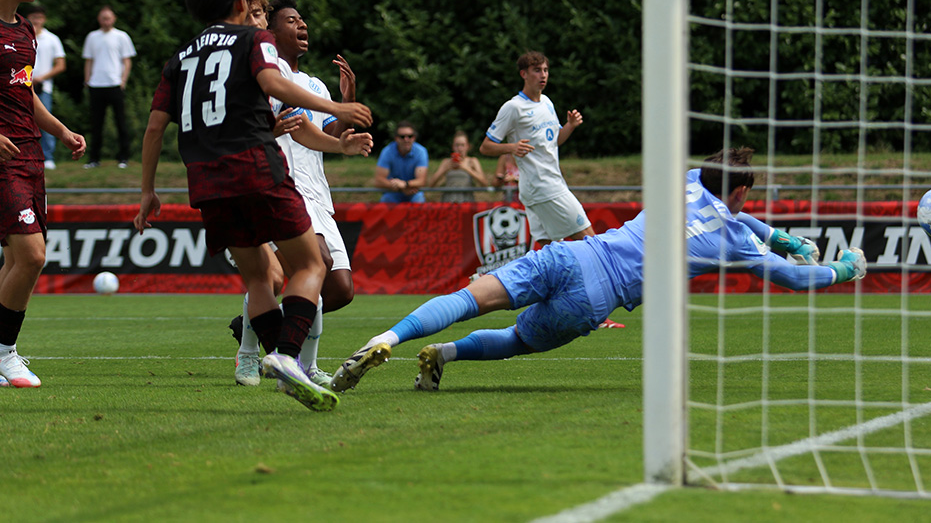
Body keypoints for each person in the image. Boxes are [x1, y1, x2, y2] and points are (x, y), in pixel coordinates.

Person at [329, 147, 867, 393]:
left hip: (573, 253)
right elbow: (795, 277)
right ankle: (445, 355)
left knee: (472, 296)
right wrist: (843, 268)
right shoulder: (734, 241)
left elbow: (729, 203)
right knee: (519, 339)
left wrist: (773, 232)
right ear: (744, 192)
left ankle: (388, 337)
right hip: (594, 297)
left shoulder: (686, 180)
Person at [134, 0, 372, 411]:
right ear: (241, 5)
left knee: (260, 277)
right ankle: (286, 357)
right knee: (310, 266)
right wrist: (337, 108)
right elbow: (273, 83)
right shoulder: (252, 39)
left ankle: (276, 361)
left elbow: (154, 127)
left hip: (206, 182)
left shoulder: (178, 59)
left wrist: (147, 191)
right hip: (256, 168)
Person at [231, 0, 373, 388]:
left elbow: (324, 134)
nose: (302, 25)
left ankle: (254, 323)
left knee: (340, 289)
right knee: (312, 265)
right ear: (271, 31)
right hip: (281, 186)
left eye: (303, 19)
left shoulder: (313, 84)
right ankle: (285, 363)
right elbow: (277, 125)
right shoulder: (266, 71)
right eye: (291, 20)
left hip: (317, 192)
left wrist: (343, 102)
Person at [479, 51, 625, 327]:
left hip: (540, 188)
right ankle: (600, 313)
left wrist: (569, 126)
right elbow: (486, 146)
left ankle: (551, 310)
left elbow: (553, 141)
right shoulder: (513, 107)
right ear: (523, 74)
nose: (543, 75)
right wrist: (511, 147)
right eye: (536, 70)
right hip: (545, 187)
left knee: (548, 250)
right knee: (591, 243)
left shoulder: (547, 102)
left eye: (545, 69)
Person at [0, 0, 86, 388]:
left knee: (18, 260)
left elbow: (25, 93)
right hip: (4, 160)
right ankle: (6, 354)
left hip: (31, 155)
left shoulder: (24, 32)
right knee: (32, 255)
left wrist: (62, 130)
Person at [82, 5, 136, 169]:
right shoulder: (92, 37)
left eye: (109, 18)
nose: (106, 21)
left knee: (120, 121)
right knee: (96, 123)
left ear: (114, 19)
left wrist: (123, 81)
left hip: (114, 84)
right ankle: (94, 158)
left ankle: (123, 157)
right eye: (103, 18)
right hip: (96, 84)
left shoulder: (121, 36)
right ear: (99, 19)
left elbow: (127, 61)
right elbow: (88, 60)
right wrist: (87, 80)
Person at [26, 5, 65, 170]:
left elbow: (61, 64)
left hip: (44, 87)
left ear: (44, 19)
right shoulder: (22, 36)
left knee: (46, 120)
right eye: (33, 17)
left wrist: (42, 77)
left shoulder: (52, 39)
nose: (36, 20)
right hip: (21, 85)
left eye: (39, 17)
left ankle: (48, 156)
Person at [374, 121, 428, 203]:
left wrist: (405, 184)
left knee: (419, 199)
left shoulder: (421, 151)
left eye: (410, 136)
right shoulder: (387, 151)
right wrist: (402, 188)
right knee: (386, 199)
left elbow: (421, 181)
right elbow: (378, 181)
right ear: (396, 138)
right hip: (393, 192)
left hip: (413, 193)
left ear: (414, 138)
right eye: (402, 137)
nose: (406, 139)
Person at [428, 130, 487, 202]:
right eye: (457, 145)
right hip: (448, 201)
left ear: (467, 146)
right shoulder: (446, 162)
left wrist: (466, 168)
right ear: (453, 146)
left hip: (467, 201)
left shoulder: (472, 161)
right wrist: (445, 169)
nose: (459, 148)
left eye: (462, 145)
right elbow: (431, 185)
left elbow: (484, 183)